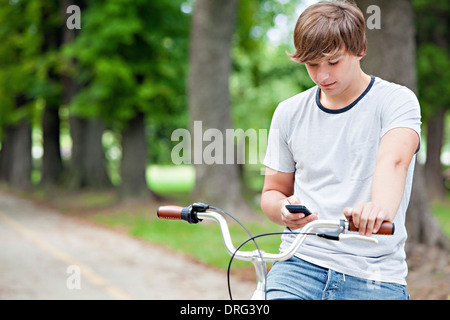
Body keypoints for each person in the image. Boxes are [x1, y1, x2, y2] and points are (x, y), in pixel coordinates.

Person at [261, 0, 421, 300]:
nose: (322, 76)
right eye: (312, 65)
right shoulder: (288, 112)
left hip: (374, 273)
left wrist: (378, 209)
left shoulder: (397, 101)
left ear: (359, 49)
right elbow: (272, 192)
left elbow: (394, 161)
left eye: (333, 62)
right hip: (298, 264)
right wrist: (283, 211)